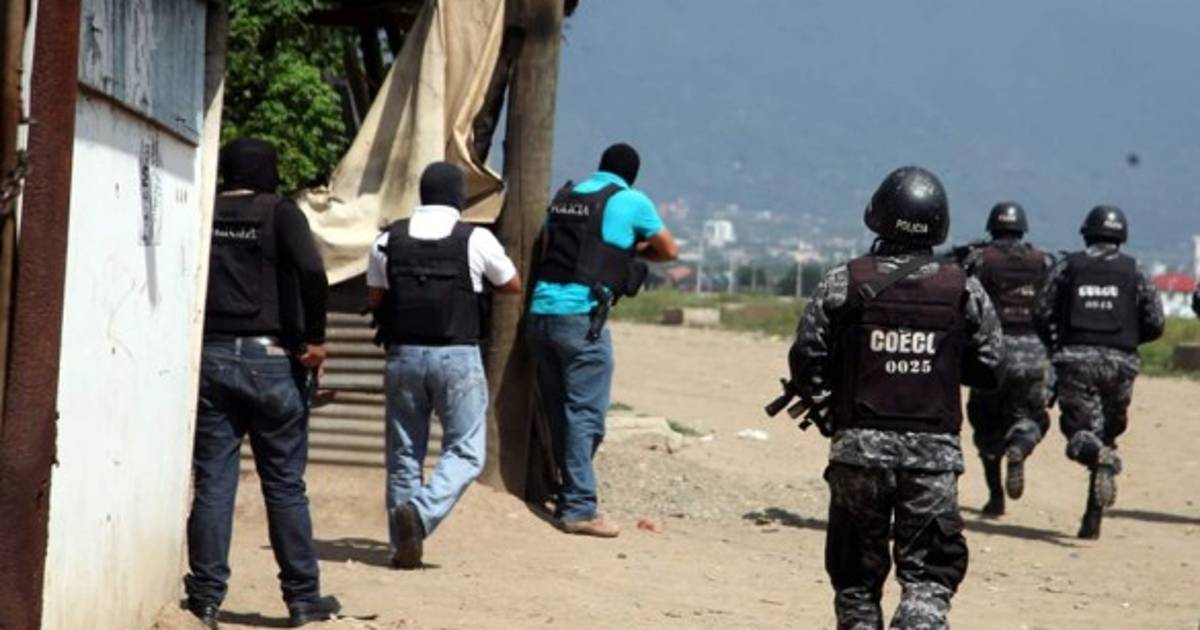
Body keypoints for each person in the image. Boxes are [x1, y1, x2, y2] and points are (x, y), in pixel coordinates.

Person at [789, 166, 1002, 629]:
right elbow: (990, 364)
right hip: (934, 455)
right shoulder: (963, 288)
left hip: (858, 451)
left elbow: (806, 355)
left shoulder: (843, 281)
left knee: (855, 580)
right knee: (929, 575)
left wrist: (829, 404)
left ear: (879, 216)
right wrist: (940, 365)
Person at [186, 139, 340, 628]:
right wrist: (316, 338)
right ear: (269, 172)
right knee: (285, 485)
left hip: (210, 358)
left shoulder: (204, 209)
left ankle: (205, 600)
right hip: (272, 361)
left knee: (213, 482)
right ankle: (303, 600)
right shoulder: (281, 213)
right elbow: (313, 270)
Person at [366, 161, 522, 569]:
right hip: (457, 356)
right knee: (467, 452)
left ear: (423, 194)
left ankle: (402, 546)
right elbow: (511, 283)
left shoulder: (387, 239)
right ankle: (420, 513)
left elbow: (376, 298)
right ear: (458, 197)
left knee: (404, 454)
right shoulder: (475, 239)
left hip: (403, 355)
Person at [526, 143, 678, 537]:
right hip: (580, 319)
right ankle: (579, 507)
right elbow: (668, 249)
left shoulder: (566, 197)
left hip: (540, 315)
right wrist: (633, 249)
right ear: (632, 175)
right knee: (586, 416)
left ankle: (565, 490)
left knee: (558, 412)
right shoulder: (631, 200)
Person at [1034, 205, 1164, 539]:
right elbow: (1155, 322)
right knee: (1107, 432)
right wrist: (1127, 341)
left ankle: (1098, 458)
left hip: (1075, 360)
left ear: (1087, 233)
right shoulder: (1136, 270)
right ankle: (1091, 521)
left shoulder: (1068, 266)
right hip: (1122, 363)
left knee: (1080, 434)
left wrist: (1057, 343)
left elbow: (1041, 310)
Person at [961, 202, 1054, 517]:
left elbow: (965, 302)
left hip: (992, 356)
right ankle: (1020, 446)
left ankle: (995, 496)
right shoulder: (1043, 260)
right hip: (1032, 356)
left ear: (992, 227)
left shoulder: (979, 259)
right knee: (1031, 417)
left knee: (986, 425)